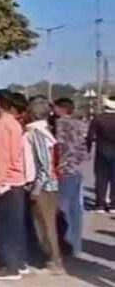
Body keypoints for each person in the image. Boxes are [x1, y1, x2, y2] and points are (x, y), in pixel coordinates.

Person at [0, 89, 29, 281]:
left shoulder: (2, 124)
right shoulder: (14, 123)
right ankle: (19, 263)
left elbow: (2, 156)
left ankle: (10, 267)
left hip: (7, 182)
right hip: (17, 180)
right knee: (16, 224)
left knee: (4, 226)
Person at [24, 97, 65, 275]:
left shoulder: (37, 133)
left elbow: (44, 164)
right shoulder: (44, 130)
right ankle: (53, 260)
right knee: (46, 225)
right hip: (48, 184)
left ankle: (55, 262)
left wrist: (36, 188)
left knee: (45, 226)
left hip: (44, 187)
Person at [53, 97, 90, 256]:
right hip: (77, 169)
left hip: (66, 169)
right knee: (76, 208)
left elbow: (60, 146)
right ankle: (76, 245)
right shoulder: (79, 123)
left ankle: (66, 244)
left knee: (64, 208)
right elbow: (84, 149)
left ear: (62, 109)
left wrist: (59, 165)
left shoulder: (61, 123)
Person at [87, 98, 115, 213]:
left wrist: (88, 149)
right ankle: (113, 205)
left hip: (101, 151)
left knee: (101, 178)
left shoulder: (98, 118)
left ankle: (100, 204)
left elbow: (90, 136)